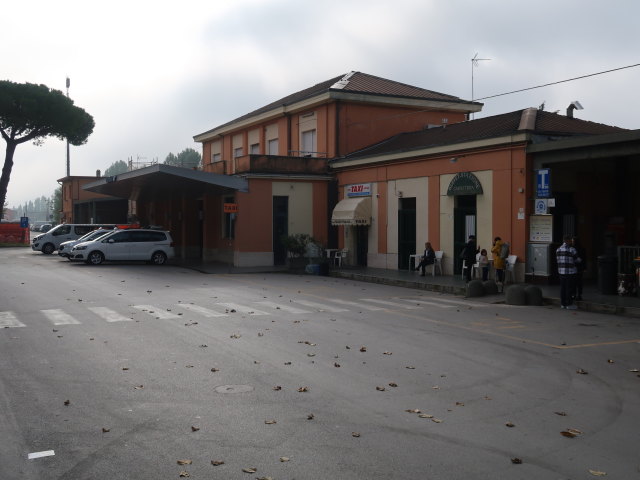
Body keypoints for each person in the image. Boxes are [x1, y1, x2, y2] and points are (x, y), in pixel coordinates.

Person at [556, 234, 581, 310]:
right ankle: (569, 304)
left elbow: (558, 260)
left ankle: (563, 304)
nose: (571, 241)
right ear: (568, 241)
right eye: (570, 240)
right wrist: (580, 260)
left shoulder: (558, 249)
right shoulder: (572, 249)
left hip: (561, 272)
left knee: (563, 288)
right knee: (569, 288)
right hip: (570, 272)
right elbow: (577, 260)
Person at [572, 236, 586, 301]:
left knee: (574, 282)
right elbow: (584, 259)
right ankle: (579, 295)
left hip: (574, 267)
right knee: (579, 282)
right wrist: (585, 268)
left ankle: (574, 295)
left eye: (573, 241)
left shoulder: (572, 249)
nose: (572, 242)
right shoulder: (582, 248)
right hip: (580, 267)